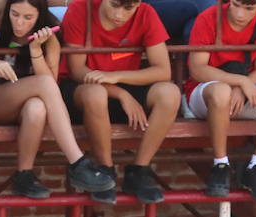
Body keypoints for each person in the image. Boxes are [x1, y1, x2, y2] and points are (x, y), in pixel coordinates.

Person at [0, 0, 116, 198]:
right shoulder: (0, 4)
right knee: (43, 87)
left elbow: (51, 83)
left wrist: (35, 52)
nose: (19, 23)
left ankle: (24, 174)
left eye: (28, 18)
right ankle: (77, 161)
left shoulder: (50, 36)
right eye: (14, 14)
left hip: (27, 102)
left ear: (39, 15)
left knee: (37, 107)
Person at [60, 0, 179, 204]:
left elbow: (163, 70)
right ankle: (105, 171)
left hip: (121, 82)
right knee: (95, 94)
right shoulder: (80, 8)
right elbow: (77, 70)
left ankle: (139, 171)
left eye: (128, 8)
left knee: (170, 93)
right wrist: (121, 94)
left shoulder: (147, 13)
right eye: (114, 5)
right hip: (82, 88)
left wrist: (117, 77)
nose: (120, 15)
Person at [186, 0, 256, 201]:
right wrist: (241, 82)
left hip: (246, 89)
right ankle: (220, 164)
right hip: (206, 91)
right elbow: (197, 69)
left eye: (248, 8)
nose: (240, 14)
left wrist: (242, 89)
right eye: (236, 5)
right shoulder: (208, 17)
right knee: (221, 92)